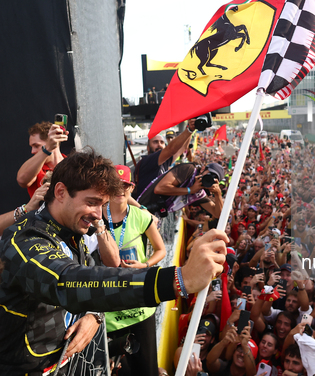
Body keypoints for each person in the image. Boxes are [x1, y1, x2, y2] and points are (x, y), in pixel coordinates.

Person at [0, 149, 227, 374]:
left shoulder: (71, 233)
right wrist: (179, 278)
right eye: (92, 202)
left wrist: (94, 315)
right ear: (60, 192)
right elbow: (68, 282)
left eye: (103, 205)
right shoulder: (25, 242)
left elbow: (91, 280)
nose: (99, 214)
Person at [99, 164, 167, 376]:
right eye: (116, 185)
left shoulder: (141, 216)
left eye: (125, 185)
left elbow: (161, 250)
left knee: (146, 370)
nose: (120, 189)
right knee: (122, 371)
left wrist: (144, 265)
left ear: (131, 188)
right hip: (110, 309)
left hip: (139, 306)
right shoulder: (95, 217)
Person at [133, 118, 197, 198]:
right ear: (148, 148)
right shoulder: (147, 161)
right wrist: (189, 130)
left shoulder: (164, 161)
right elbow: (171, 150)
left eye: (162, 142)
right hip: (144, 208)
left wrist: (191, 127)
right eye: (155, 142)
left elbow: (183, 148)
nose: (159, 145)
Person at [17, 121, 67, 198]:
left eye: (36, 146)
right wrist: (46, 150)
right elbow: (22, 180)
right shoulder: (36, 167)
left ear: (53, 141)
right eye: (32, 147)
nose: (32, 151)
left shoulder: (72, 164)